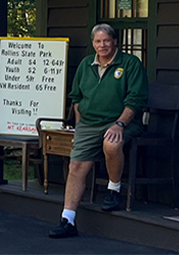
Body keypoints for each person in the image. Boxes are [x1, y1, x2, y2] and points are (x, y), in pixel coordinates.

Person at [49, 23, 147, 238]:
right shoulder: (86, 65)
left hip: (120, 121)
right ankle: (68, 219)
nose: (102, 45)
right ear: (93, 44)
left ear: (114, 42)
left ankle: (113, 189)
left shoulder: (130, 64)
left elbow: (136, 99)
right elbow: (77, 97)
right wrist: (80, 124)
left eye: (106, 40)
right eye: (97, 41)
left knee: (111, 143)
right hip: (88, 123)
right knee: (76, 165)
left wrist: (120, 124)